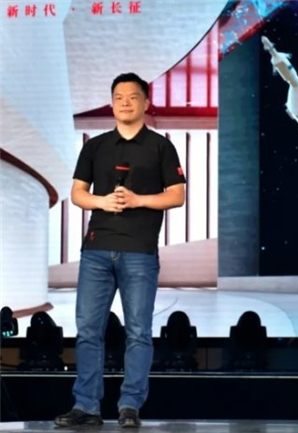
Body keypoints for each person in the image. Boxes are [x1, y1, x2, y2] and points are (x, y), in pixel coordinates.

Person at [54, 72, 186, 428]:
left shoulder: (160, 146)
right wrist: (102, 201)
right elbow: (78, 193)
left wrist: (139, 199)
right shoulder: (95, 146)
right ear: (112, 103)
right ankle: (86, 406)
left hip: (139, 252)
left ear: (146, 102)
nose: (125, 103)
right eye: (118, 97)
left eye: (132, 96)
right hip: (96, 250)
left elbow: (177, 195)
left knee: (138, 331)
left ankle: (130, 405)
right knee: (88, 330)